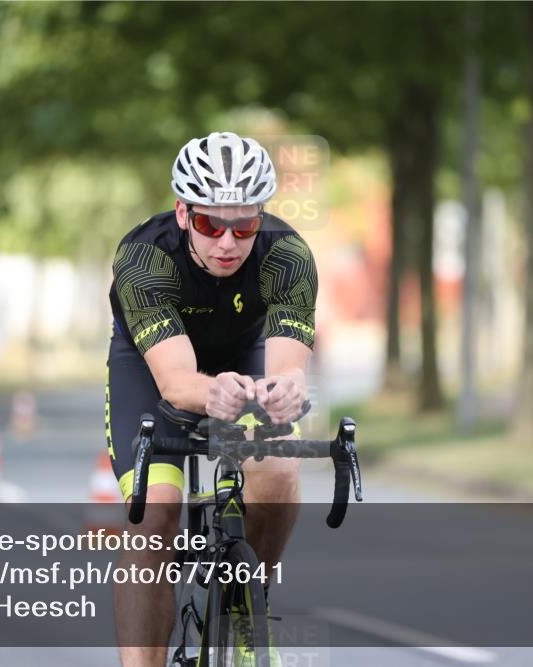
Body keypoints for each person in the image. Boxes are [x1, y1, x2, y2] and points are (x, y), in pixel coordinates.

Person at [105, 131, 317, 667]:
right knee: (154, 516)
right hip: (153, 368)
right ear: (183, 213)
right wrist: (214, 391)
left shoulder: (287, 254)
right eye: (210, 225)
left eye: (244, 227)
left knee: (279, 470)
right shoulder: (144, 257)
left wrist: (287, 390)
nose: (227, 242)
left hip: (243, 355)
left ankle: (249, 607)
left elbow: (287, 368)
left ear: (261, 218)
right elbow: (178, 383)